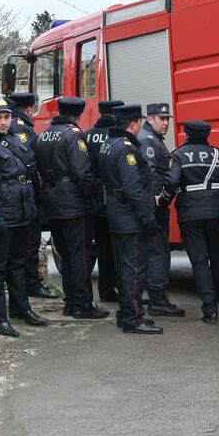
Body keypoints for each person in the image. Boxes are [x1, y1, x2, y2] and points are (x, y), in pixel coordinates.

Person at [0, 97, 48, 337]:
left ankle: (20, 307)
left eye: (7, 117)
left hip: (21, 211)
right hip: (2, 215)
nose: (4, 122)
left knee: (18, 263)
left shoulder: (13, 138)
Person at [35, 96, 107, 319]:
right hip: (73, 203)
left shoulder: (44, 135)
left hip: (52, 202)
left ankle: (70, 302)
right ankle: (83, 305)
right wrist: (92, 199)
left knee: (66, 255)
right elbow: (82, 172)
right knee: (80, 255)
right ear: (79, 114)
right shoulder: (74, 135)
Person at [98, 104, 163, 335]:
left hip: (117, 215)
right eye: (139, 122)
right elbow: (133, 188)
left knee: (125, 268)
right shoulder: (126, 149)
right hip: (129, 218)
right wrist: (148, 218)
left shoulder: (109, 143)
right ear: (134, 124)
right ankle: (134, 319)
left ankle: (126, 313)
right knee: (134, 270)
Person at [173, 119, 219, 323]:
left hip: (191, 216)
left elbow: (171, 181)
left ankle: (210, 310)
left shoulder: (179, 155)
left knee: (200, 262)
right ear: (207, 135)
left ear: (187, 134)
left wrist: (162, 200)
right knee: (217, 257)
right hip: (216, 214)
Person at [8, 92, 59, 300]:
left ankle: (26, 285)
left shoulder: (13, 125)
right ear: (30, 109)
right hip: (27, 194)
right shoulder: (23, 129)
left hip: (20, 195)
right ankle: (32, 285)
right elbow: (33, 161)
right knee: (28, 244)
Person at [138, 102, 183, 316]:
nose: (166, 123)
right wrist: (159, 197)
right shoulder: (148, 141)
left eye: (167, 119)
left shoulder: (153, 139)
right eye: (161, 119)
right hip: (155, 207)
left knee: (155, 250)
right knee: (158, 251)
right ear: (150, 119)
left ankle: (156, 296)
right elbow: (150, 172)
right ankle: (158, 300)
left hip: (151, 206)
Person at [86, 99, 124, 302]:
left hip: (95, 201)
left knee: (102, 248)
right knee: (120, 246)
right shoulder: (118, 137)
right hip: (116, 200)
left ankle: (105, 290)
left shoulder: (88, 135)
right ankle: (120, 288)